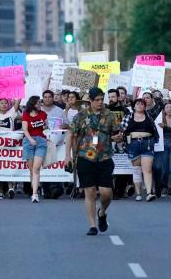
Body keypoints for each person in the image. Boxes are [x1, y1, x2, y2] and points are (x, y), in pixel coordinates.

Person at [66, 88, 120, 236]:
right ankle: (92, 225)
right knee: (89, 192)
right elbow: (71, 134)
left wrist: (118, 137)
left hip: (104, 157)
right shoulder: (81, 116)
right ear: (90, 100)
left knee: (106, 193)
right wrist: (68, 156)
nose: (100, 102)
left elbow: (117, 132)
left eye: (102, 99)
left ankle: (102, 212)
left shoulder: (109, 115)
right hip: (85, 157)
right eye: (97, 100)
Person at [124, 98, 159, 201]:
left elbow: (159, 105)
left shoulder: (149, 116)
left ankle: (149, 193)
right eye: (137, 104)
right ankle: (138, 193)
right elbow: (122, 130)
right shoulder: (128, 117)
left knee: (147, 170)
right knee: (137, 169)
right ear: (134, 106)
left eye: (142, 104)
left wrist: (155, 96)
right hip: (133, 143)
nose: (140, 105)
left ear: (145, 106)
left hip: (147, 143)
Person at [20, 96, 48, 203]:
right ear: (33, 104)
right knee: (31, 169)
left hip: (41, 141)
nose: (40, 104)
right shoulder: (26, 114)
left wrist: (42, 128)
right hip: (28, 142)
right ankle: (34, 190)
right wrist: (31, 139)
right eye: (38, 103)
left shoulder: (43, 114)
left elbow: (46, 125)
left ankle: (35, 194)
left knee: (36, 169)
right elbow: (25, 129)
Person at [155, 102, 171, 197]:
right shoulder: (160, 119)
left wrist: (166, 126)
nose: (169, 109)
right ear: (164, 110)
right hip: (163, 144)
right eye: (167, 107)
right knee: (164, 168)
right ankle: (164, 187)